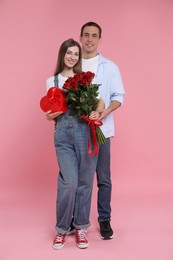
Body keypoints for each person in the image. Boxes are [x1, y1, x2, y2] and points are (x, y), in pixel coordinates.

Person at [45, 38, 104, 249]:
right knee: (69, 182)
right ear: (62, 55)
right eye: (69, 53)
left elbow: (99, 101)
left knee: (85, 182)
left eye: (76, 54)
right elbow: (49, 114)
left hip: (84, 133)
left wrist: (98, 110)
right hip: (62, 136)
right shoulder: (52, 81)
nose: (72, 57)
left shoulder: (84, 79)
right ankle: (62, 229)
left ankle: (80, 227)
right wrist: (49, 116)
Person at [79, 22, 125, 240]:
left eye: (94, 35)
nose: (90, 39)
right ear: (80, 38)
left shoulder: (110, 66)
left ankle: (104, 219)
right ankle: (79, 220)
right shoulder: (74, 63)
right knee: (82, 178)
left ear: (100, 39)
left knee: (103, 177)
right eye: (86, 35)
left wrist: (103, 113)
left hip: (102, 131)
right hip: (78, 131)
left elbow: (119, 97)